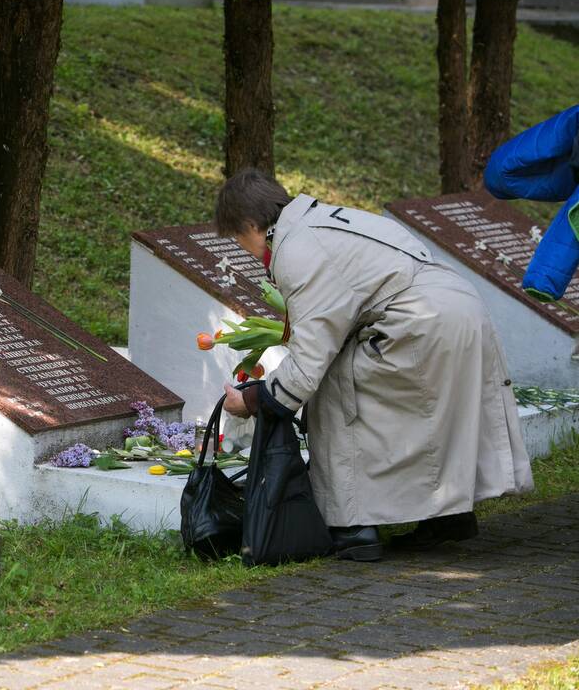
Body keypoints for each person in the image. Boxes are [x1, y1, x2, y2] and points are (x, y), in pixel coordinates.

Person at [217, 169, 534, 561]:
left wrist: (257, 400)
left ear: (251, 224)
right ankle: (448, 517)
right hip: (459, 311)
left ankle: (352, 527)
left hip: (420, 323)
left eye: (237, 238)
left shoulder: (297, 248)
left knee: (334, 390)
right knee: (430, 422)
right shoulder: (325, 218)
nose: (243, 248)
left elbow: (312, 357)